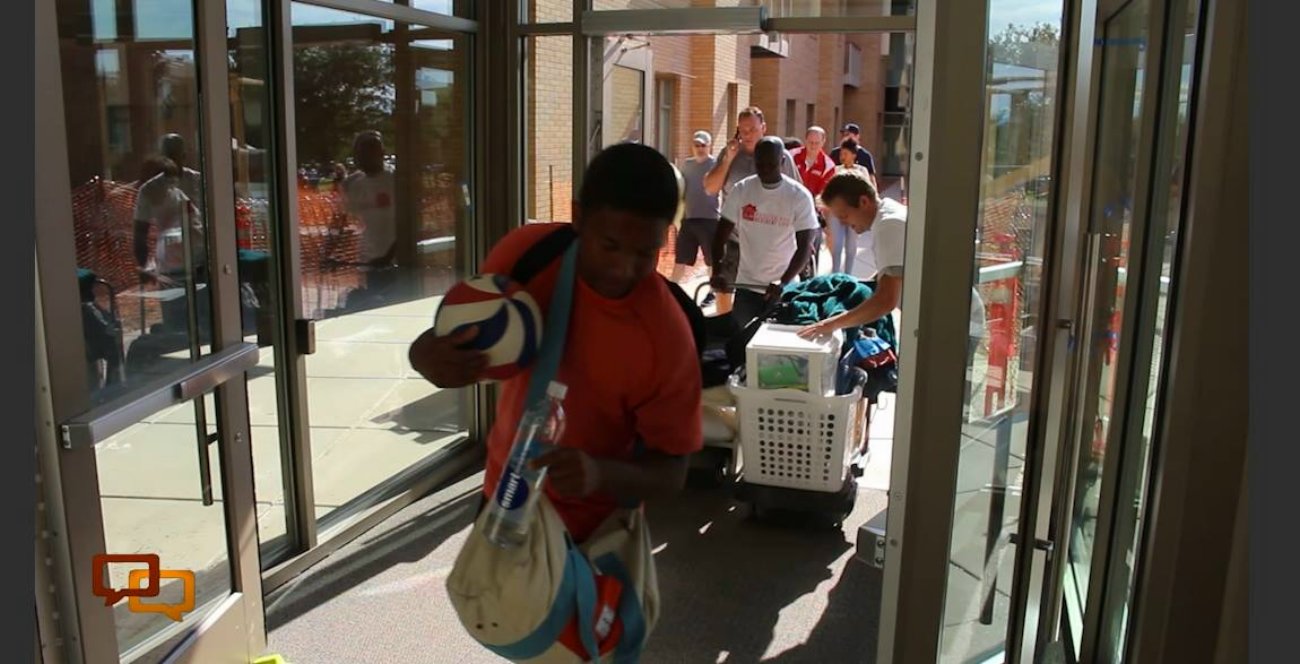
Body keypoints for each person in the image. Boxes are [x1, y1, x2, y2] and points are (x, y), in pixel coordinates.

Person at [408, 143, 703, 545]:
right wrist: (426, 357)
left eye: (645, 253)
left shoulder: (666, 336)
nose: (624, 268)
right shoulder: (527, 254)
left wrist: (599, 474)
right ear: (578, 217)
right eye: (611, 246)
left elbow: (672, 472)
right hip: (501, 500)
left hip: (592, 537)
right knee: (487, 605)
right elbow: (447, 343)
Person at [702, 107, 803, 313]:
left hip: (771, 242)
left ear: (763, 128)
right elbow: (710, 188)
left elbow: (796, 195)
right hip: (736, 238)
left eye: (752, 129)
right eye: (743, 130)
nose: (747, 135)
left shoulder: (781, 156)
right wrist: (728, 159)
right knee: (724, 291)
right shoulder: (730, 153)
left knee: (764, 297)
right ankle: (728, 327)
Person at [710, 137, 819, 326]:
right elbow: (720, 236)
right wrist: (717, 271)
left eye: (771, 164)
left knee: (773, 348)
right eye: (760, 164)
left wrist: (783, 281)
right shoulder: (742, 190)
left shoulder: (799, 197)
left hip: (783, 289)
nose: (765, 169)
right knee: (742, 342)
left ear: (782, 162)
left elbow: (805, 247)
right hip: (747, 285)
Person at [798, 171, 905, 340]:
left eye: (844, 216)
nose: (843, 223)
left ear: (863, 202)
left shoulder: (888, 226)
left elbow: (886, 300)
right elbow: (893, 273)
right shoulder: (888, 214)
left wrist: (830, 324)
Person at [672, 130, 722, 305]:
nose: (700, 148)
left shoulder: (716, 164)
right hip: (689, 219)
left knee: (711, 260)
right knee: (680, 257)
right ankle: (671, 290)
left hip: (709, 219)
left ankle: (713, 292)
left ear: (709, 146)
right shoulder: (686, 165)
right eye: (697, 145)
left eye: (703, 145)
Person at [341, 130, 398, 267]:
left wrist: (388, 257)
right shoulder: (352, 183)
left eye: (369, 153)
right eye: (360, 154)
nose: (362, 158)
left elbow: (408, 226)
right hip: (367, 260)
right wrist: (327, 252)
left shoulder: (396, 179)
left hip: (395, 262)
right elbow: (340, 221)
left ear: (381, 153)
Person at [789, 126, 838, 277]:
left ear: (823, 142)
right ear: (805, 140)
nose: (813, 146)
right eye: (810, 142)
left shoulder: (828, 166)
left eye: (817, 143)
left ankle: (808, 283)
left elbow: (824, 196)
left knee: (808, 257)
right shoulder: (791, 156)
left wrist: (828, 226)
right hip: (788, 212)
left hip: (811, 216)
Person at [826, 138, 876, 275]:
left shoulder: (862, 171)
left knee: (851, 246)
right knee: (837, 246)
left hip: (855, 213)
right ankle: (835, 274)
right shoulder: (836, 170)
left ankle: (848, 275)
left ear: (854, 155)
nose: (842, 156)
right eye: (841, 153)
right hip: (837, 214)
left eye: (846, 153)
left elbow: (868, 190)